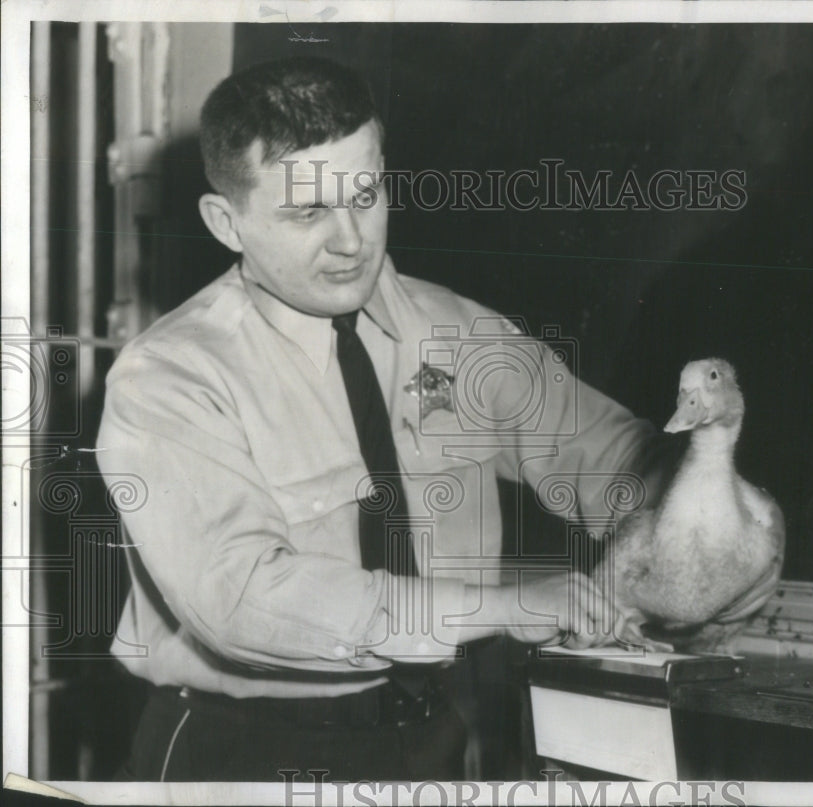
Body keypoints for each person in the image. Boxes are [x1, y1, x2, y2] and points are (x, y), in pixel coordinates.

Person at [95, 57, 719, 782]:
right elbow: (246, 598)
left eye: (366, 194)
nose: (351, 240)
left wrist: (699, 510)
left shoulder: (461, 335)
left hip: (430, 745)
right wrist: (500, 607)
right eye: (307, 212)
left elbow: (612, 457)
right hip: (244, 756)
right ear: (225, 222)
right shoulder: (170, 377)